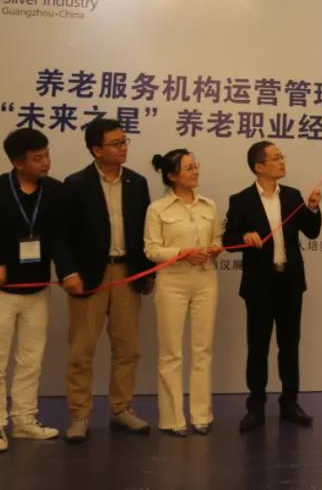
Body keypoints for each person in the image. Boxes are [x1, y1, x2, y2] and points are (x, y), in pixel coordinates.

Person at [0, 128, 83, 453]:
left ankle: (23, 419)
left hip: (38, 289)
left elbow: (59, 239)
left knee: (31, 360)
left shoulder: (55, 191)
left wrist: (69, 272)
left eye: (46, 155)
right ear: (18, 163)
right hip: (2, 290)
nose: (46, 162)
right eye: (37, 158)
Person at [62, 119, 153, 442]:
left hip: (128, 273)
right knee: (81, 350)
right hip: (89, 275)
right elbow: (62, 236)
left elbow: (146, 231)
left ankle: (121, 409)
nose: (123, 147)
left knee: (128, 348)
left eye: (124, 141)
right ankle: (79, 414)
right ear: (96, 150)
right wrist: (68, 272)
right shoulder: (75, 184)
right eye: (116, 143)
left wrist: (148, 272)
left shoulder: (137, 182)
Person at [223, 141, 322, 431]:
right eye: (276, 158)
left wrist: (313, 208)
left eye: (282, 157)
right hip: (259, 286)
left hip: (290, 284)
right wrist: (245, 236)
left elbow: (312, 232)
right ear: (259, 167)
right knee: (258, 348)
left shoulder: (292, 195)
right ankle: (255, 407)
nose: (282, 161)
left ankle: (290, 403)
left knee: (289, 346)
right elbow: (228, 241)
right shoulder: (240, 200)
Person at [144, 149, 222, 436]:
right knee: (171, 352)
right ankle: (172, 418)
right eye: (189, 167)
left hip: (205, 280)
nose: (196, 171)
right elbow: (151, 250)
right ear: (172, 176)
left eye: (195, 165)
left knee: (202, 349)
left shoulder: (209, 206)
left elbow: (217, 239)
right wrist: (183, 253)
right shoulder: (158, 209)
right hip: (172, 282)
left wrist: (214, 248)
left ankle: (202, 414)